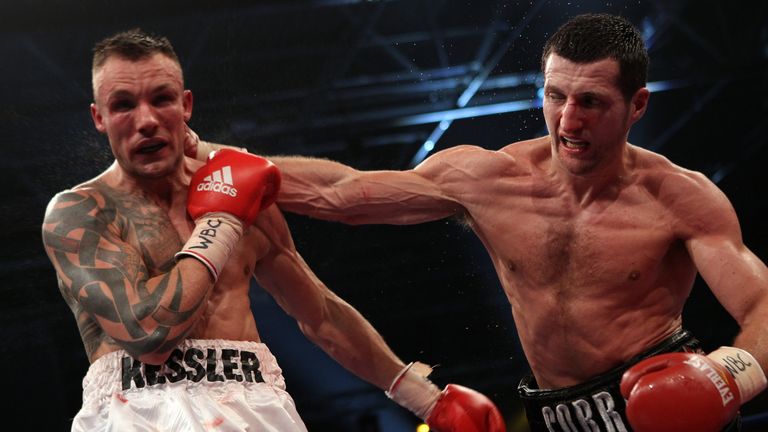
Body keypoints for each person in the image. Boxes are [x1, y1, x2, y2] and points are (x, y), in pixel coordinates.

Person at [232, 13, 768, 432]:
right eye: (555, 96)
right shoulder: (487, 178)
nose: (568, 120)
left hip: (664, 396)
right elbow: (340, 193)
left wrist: (726, 376)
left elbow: (761, 306)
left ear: (638, 106)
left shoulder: (680, 197)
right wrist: (210, 162)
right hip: (556, 413)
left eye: (591, 102)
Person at [40, 28, 507, 432]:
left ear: (185, 106)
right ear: (99, 118)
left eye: (161, 98)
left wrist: (426, 400)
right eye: (123, 105)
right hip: (138, 409)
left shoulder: (243, 194)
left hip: (254, 405)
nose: (145, 120)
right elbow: (149, 335)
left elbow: (318, 312)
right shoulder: (82, 212)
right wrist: (221, 222)